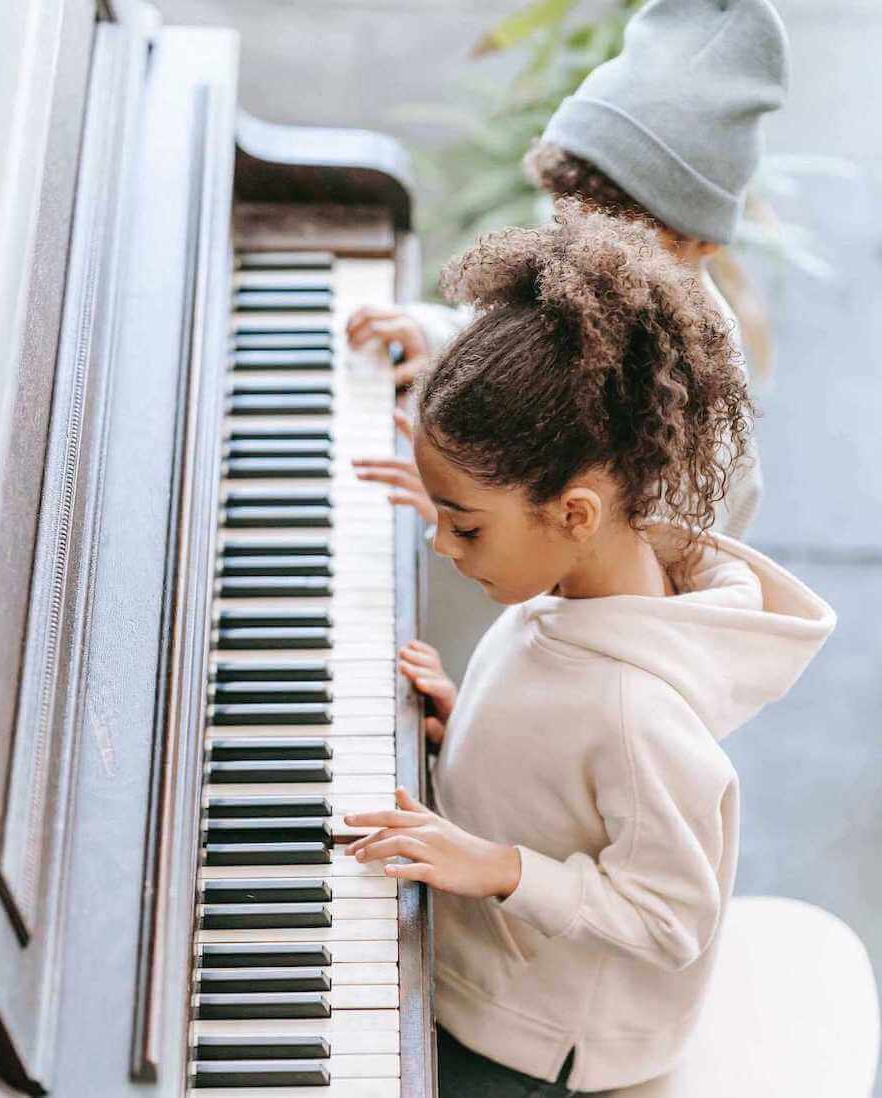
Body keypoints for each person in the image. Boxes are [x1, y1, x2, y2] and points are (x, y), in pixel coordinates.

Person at [343, 204, 835, 1096]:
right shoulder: (573, 585)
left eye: (464, 525)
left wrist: (498, 866)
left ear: (574, 514)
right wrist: (472, 729)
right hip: (499, 970)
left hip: (542, 1042)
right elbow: (562, 754)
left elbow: (671, 914)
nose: (441, 547)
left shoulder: (640, 713)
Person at [351, 0, 790, 543]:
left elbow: (638, 595)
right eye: (565, 211)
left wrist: (466, 521)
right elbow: (512, 335)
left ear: (700, 239)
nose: (577, 242)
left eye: (615, 232)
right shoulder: (578, 268)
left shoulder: (701, 412)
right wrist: (437, 336)